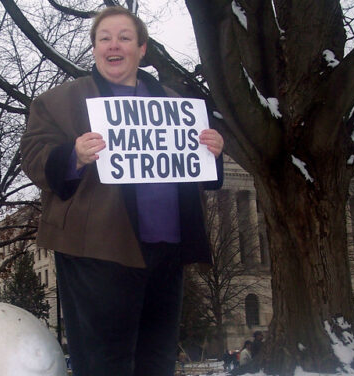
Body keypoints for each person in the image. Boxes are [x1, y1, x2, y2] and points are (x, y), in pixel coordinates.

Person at [20, 6, 225, 376]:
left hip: (167, 254)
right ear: (95, 48)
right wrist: (74, 156)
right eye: (105, 38)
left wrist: (210, 150)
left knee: (157, 361)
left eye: (125, 38)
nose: (114, 46)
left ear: (142, 49)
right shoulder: (58, 101)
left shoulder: (177, 104)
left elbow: (197, 171)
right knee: (104, 363)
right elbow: (34, 157)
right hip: (96, 252)